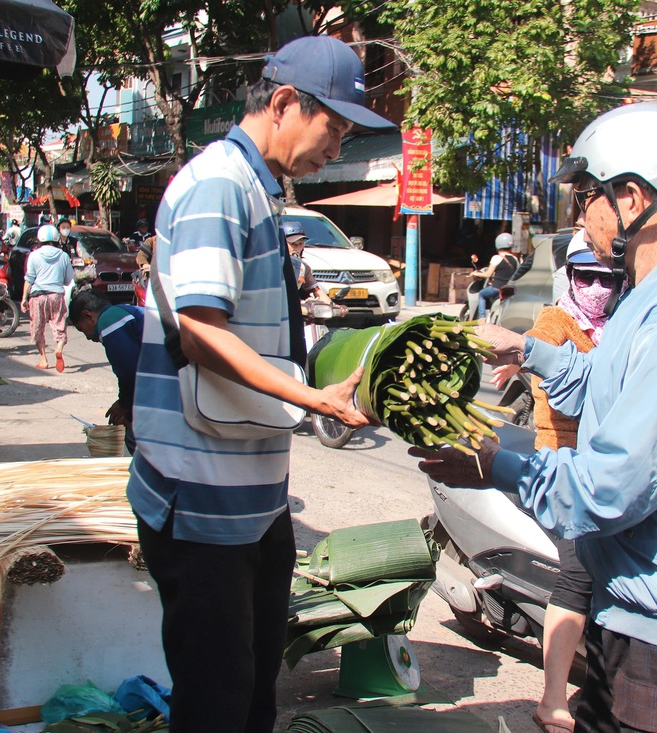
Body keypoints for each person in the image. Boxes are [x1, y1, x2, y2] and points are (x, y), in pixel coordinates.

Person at [411, 102, 657, 733]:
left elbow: (609, 491)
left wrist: (496, 466)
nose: (582, 213)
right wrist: (526, 349)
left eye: (588, 195)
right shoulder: (656, 292)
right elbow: (606, 388)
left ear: (632, 199)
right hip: (637, 617)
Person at [127, 35, 392, 732]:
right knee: (216, 698)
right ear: (282, 104)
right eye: (333, 128)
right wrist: (312, 399)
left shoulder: (259, 188)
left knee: (249, 693)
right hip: (201, 495)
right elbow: (202, 333)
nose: (336, 149)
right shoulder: (221, 184)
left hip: (249, 493)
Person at [493, 229, 614, 733]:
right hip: (560, 463)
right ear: (569, 276)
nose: (598, 288)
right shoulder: (555, 320)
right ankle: (551, 699)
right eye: (586, 277)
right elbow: (560, 390)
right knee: (579, 576)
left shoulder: (620, 323)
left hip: (607, 470)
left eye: (608, 278)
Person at [68, 289, 144, 454]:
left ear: (88, 315)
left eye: (82, 330)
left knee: (135, 438)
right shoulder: (122, 312)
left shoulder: (109, 322)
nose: (88, 338)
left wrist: (124, 405)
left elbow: (129, 372)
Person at [20, 224, 74, 372]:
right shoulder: (63, 255)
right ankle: (58, 348)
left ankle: (43, 359)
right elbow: (69, 280)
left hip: (38, 296)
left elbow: (29, 279)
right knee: (59, 326)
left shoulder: (34, 255)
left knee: (38, 328)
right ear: (57, 238)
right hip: (56, 295)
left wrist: (24, 298)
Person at [470, 232, 518, 320]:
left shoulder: (497, 258)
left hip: (497, 288)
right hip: (510, 289)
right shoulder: (515, 259)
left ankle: (482, 318)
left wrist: (476, 273)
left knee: (481, 294)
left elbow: (488, 274)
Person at [282, 220, 333, 304]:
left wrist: (333, 306)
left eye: (300, 243)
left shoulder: (303, 267)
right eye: (293, 244)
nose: (297, 248)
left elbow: (317, 291)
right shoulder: (275, 265)